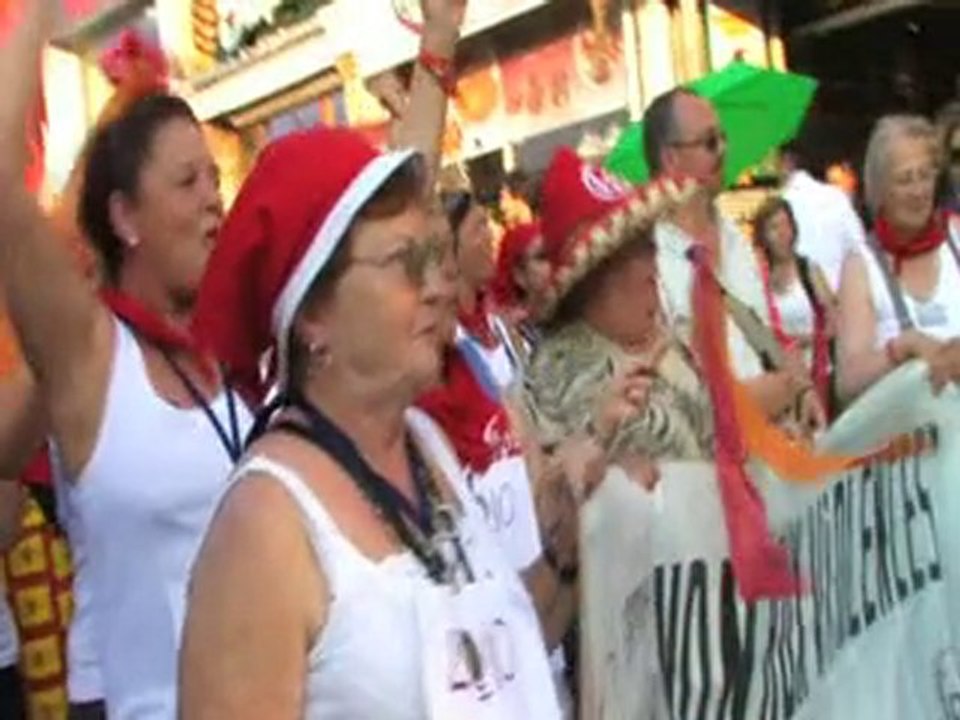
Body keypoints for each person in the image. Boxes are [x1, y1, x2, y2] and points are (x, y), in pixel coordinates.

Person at [178, 121, 577, 717]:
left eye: (434, 260)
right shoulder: (266, 525)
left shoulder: (426, 445)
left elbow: (485, 663)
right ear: (312, 313)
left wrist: (568, 554)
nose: (437, 289)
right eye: (403, 262)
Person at [642, 87, 823, 431]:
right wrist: (745, 403)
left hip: (774, 453)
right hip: (706, 464)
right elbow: (659, 399)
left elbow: (768, 335)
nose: (723, 150)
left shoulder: (737, 240)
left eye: (723, 138)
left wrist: (800, 390)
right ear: (671, 159)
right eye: (710, 142)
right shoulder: (645, 262)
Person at [838, 115, 960, 401]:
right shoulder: (862, 266)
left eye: (925, 175)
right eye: (905, 179)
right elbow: (847, 382)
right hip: (910, 437)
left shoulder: (956, 237)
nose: (919, 191)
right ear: (880, 190)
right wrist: (901, 349)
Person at [753, 197, 837, 416]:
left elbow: (834, 324)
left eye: (786, 225)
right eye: (774, 227)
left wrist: (804, 340)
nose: (782, 233)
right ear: (763, 236)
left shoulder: (809, 270)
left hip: (815, 372)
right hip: (780, 378)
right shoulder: (758, 278)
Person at [780, 140, 867, 293]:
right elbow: (859, 247)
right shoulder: (837, 196)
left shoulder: (782, 204)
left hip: (803, 300)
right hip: (846, 293)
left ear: (787, 162)